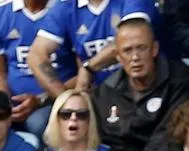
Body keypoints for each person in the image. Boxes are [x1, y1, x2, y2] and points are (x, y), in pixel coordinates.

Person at [90, 18, 189, 151]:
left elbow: (166, 137)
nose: (135, 57)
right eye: (127, 50)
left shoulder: (182, 82)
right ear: (118, 56)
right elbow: (105, 144)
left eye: (141, 48)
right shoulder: (105, 93)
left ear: (154, 49)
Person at [0, 0, 76, 136]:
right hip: (13, 101)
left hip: (55, 99)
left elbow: (83, 73)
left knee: (37, 123)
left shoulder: (67, 6)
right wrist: (4, 105)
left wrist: (41, 99)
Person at [28, 0, 159, 92]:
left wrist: (88, 68)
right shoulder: (65, 6)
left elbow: (130, 39)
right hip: (97, 92)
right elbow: (36, 55)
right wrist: (64, 97)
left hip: (143, 87)